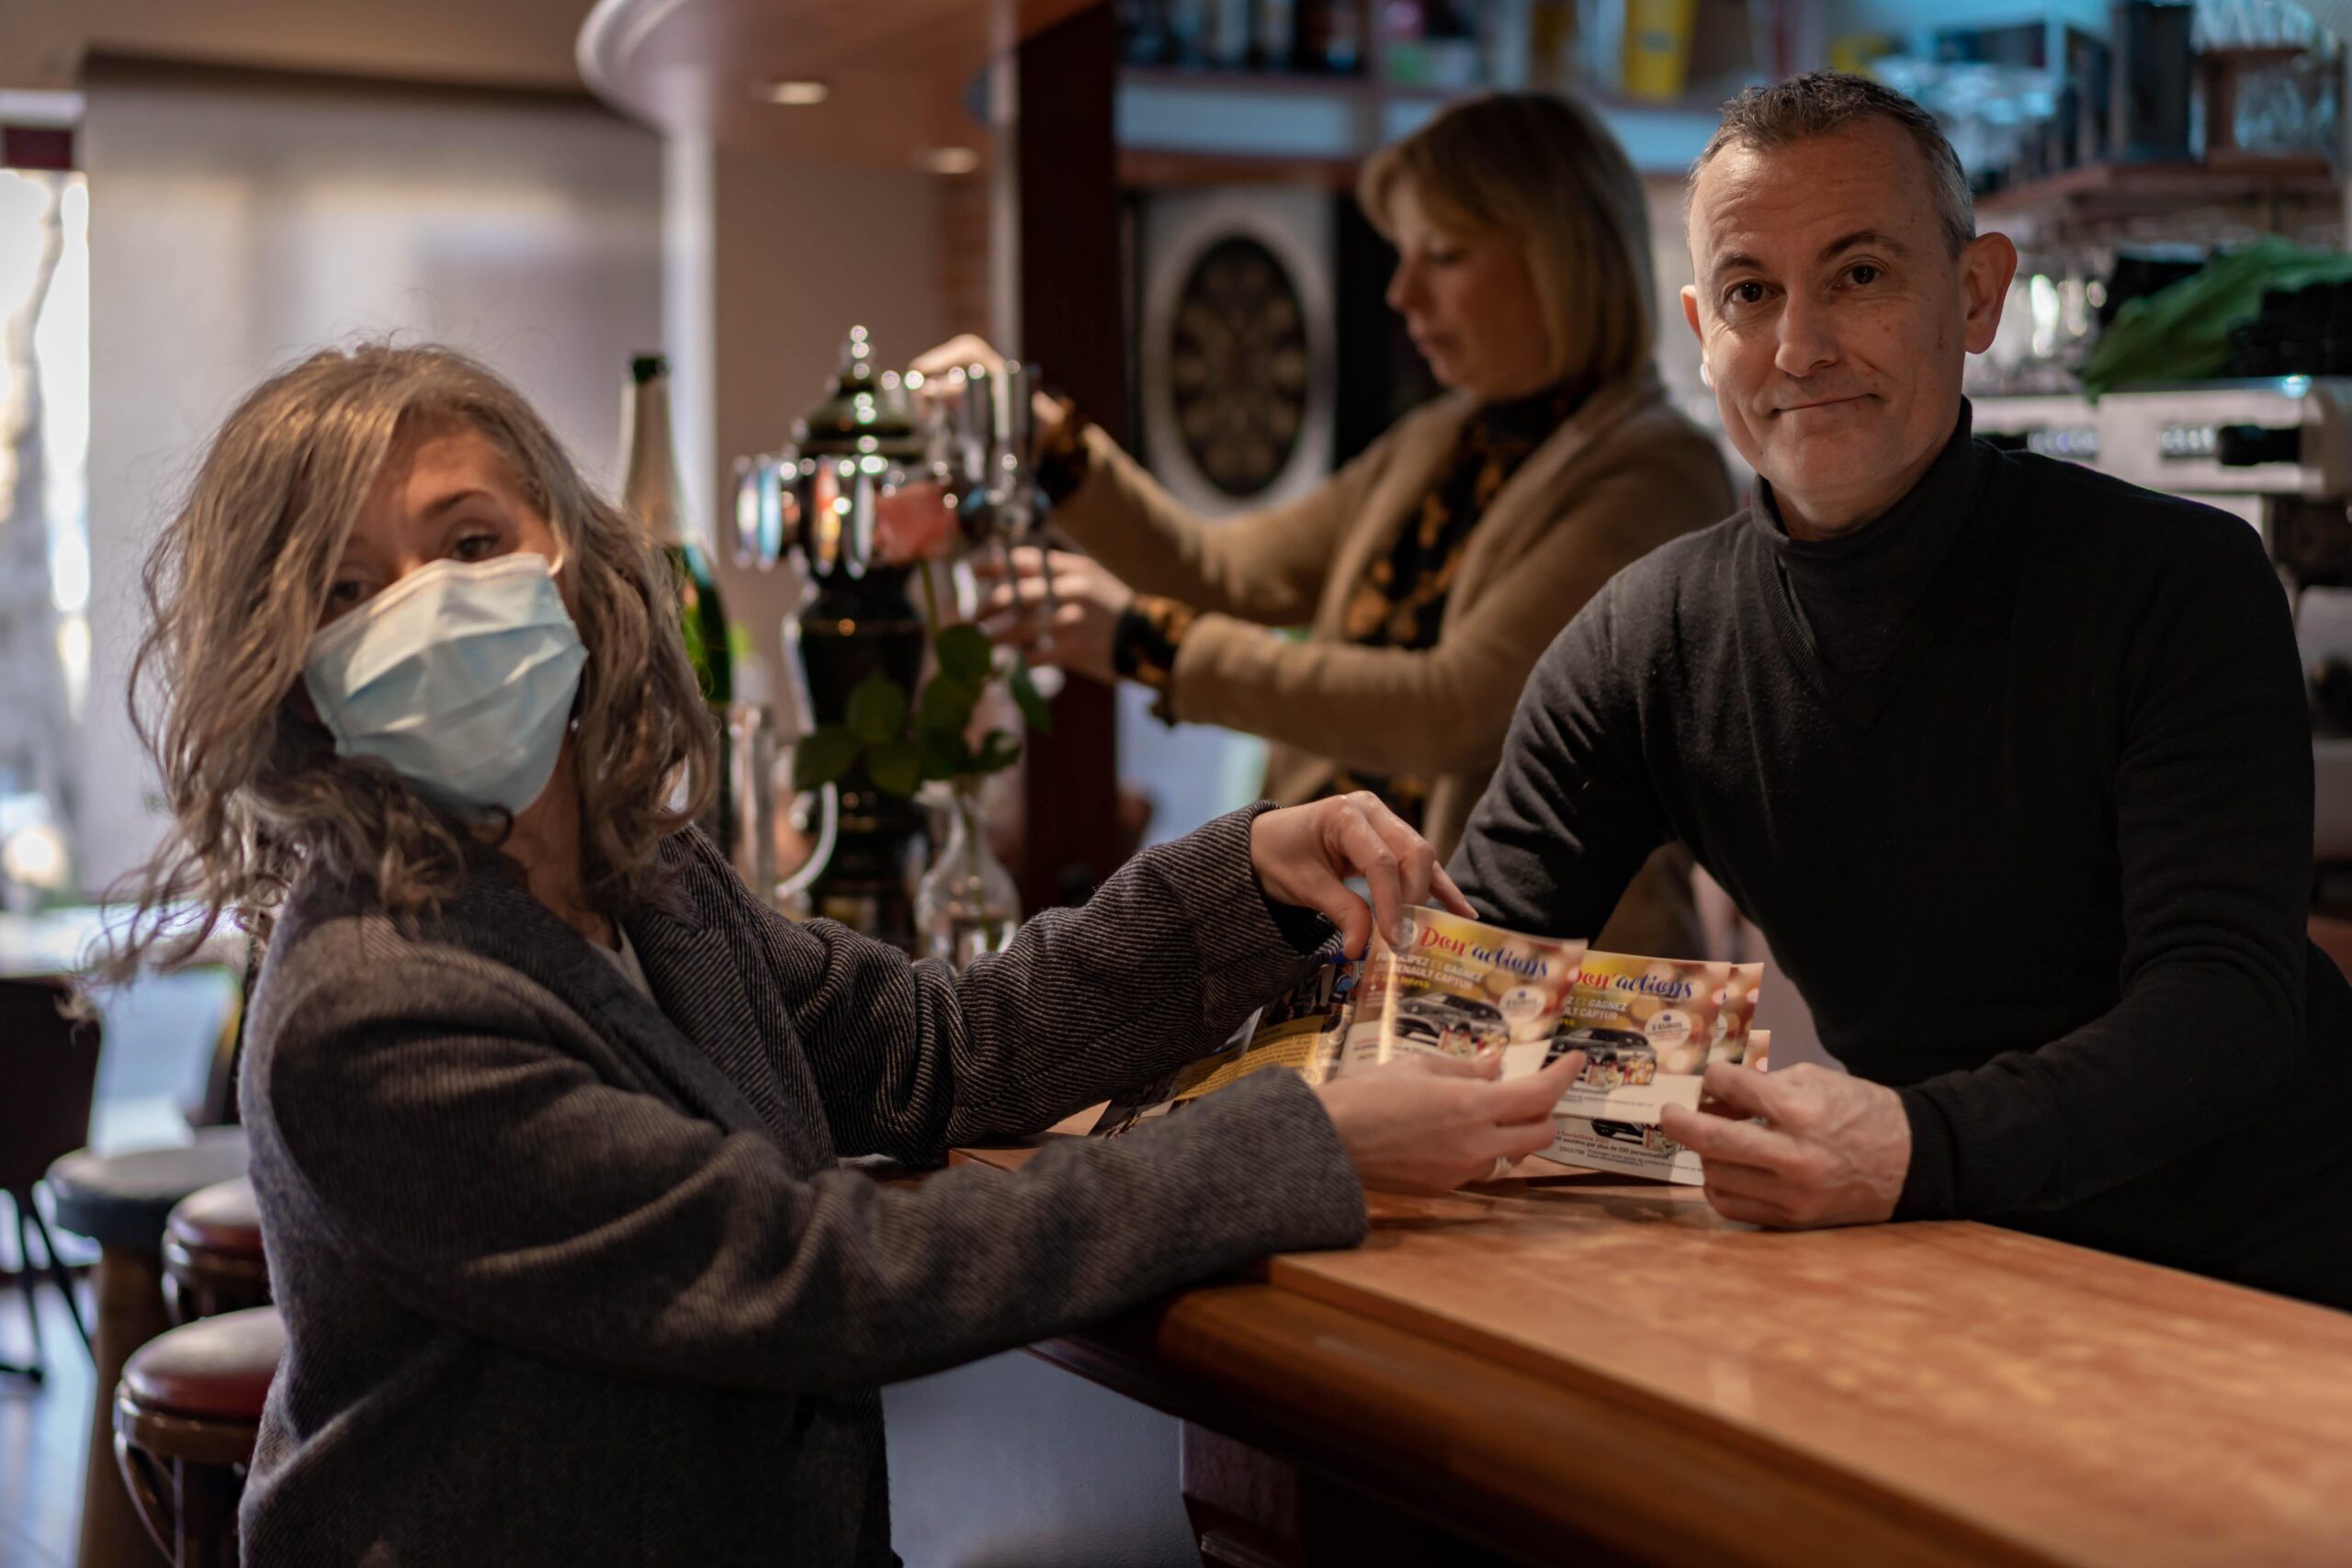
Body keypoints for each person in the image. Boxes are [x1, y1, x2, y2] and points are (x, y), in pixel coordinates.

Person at [106, 344, 1589, 1565]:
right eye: (350, 591)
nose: (426, 609)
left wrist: (1242, 875)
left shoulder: (646, 873)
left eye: (471, 541)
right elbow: (814, 1272)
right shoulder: (376, 1007)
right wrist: (1299, 1139)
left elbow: (943, 1043)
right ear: (287, 667)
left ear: (575, 558)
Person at [1450, 73, 2352, 1309]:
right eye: (1750, 292)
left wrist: (1908, 1143)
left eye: (1860, 274)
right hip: (1951, 1256)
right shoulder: (1644, 639)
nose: (1800, 346)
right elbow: (1468, 986)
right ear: (1700, 327)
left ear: (1977, 293)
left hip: (2269, 1274)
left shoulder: (2179, 581)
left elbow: (2225, 1009)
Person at [914, 90, 1732, 955]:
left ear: (1561, 263)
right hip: (1385, 961)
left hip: (1559, 981)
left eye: (1444, 256)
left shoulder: (1655, 471)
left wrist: (1151, 644)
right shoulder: (1441, 440)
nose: (1402, 291)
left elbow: (1451, 708)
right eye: (1403, 254)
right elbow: (1224, 573)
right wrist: (1053, 443)